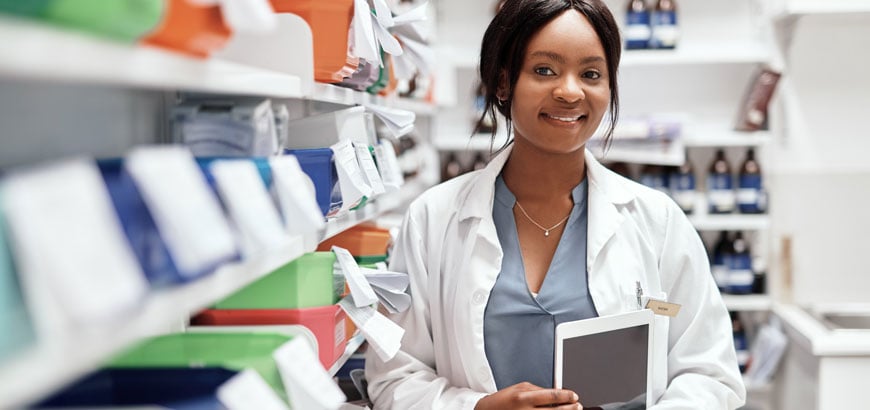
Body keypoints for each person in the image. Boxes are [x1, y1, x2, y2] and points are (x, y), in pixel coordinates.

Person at [365, 0, 746, 408]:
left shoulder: (658, 221)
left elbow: (710, 375)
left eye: (591, 74)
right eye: (544, 70)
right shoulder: (433, 219)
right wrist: (478, 407)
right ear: (502, 82)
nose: (569, 90)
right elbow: (395, 377)